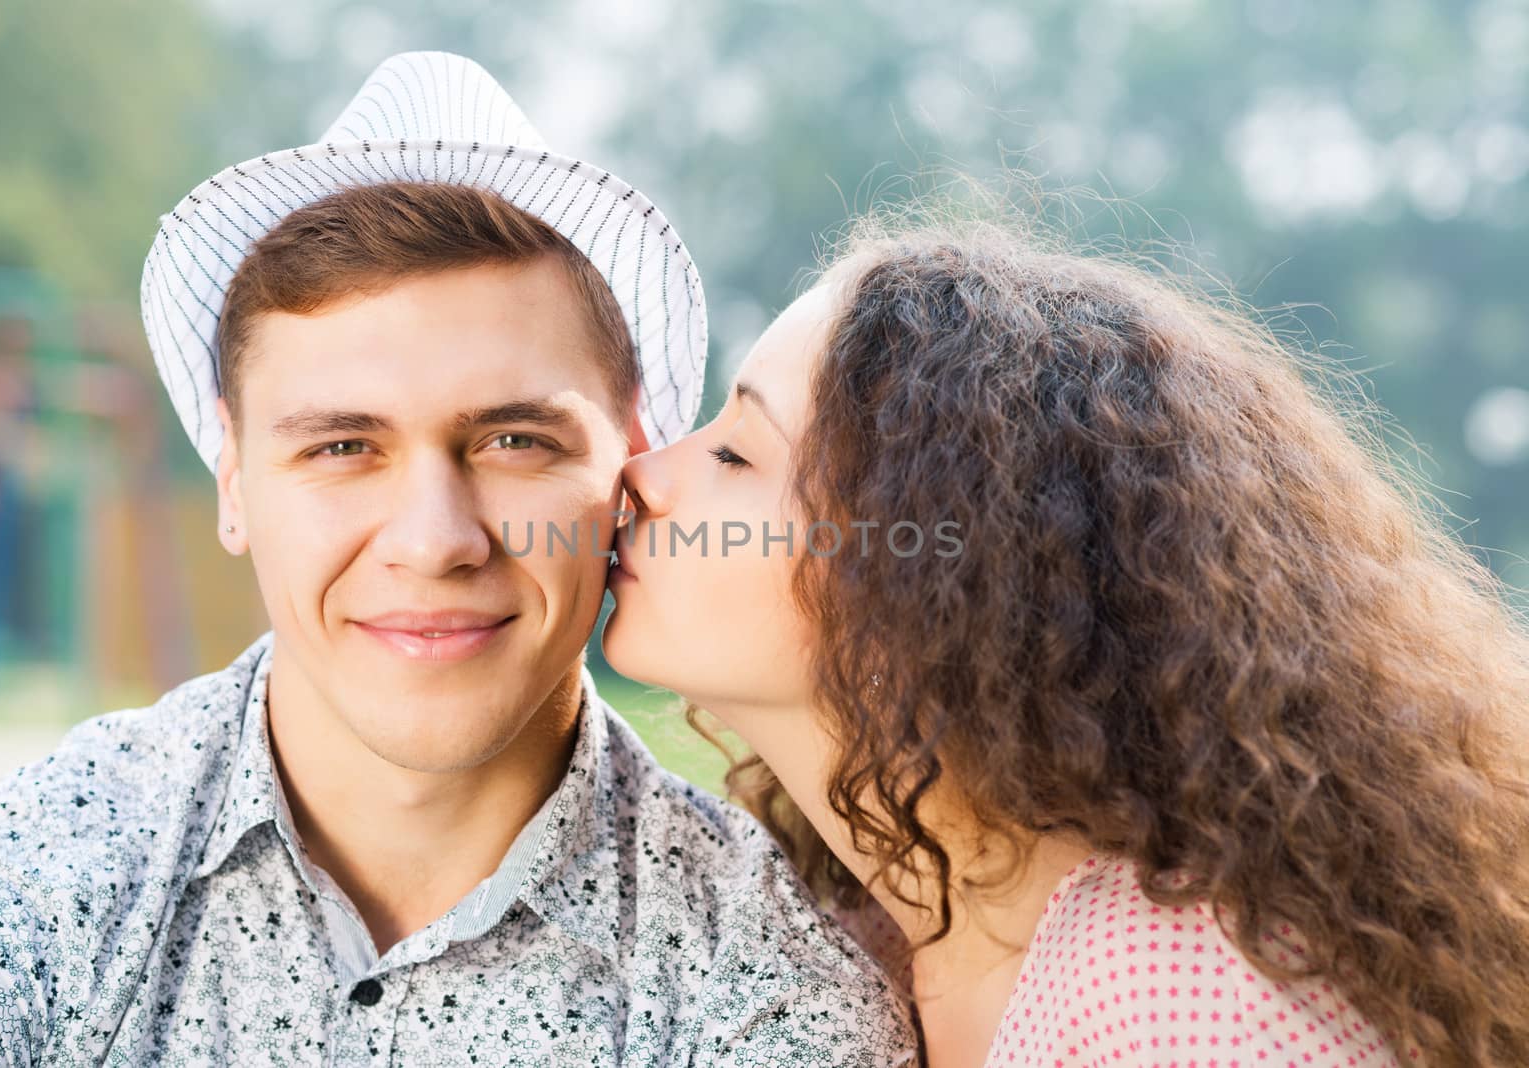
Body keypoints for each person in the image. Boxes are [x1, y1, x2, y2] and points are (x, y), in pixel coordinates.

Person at [0, 53, 916, 1066]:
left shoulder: (772, 998)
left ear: (629, 459)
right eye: (341, 448)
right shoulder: (18, 894)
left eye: (513, 442)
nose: (434, 541)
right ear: (232, 480)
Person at [602, 210, 1529, 1067]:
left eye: (736, 454)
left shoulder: (1171, 1002)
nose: (641, 474)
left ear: (925, 583)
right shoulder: (857, 942)